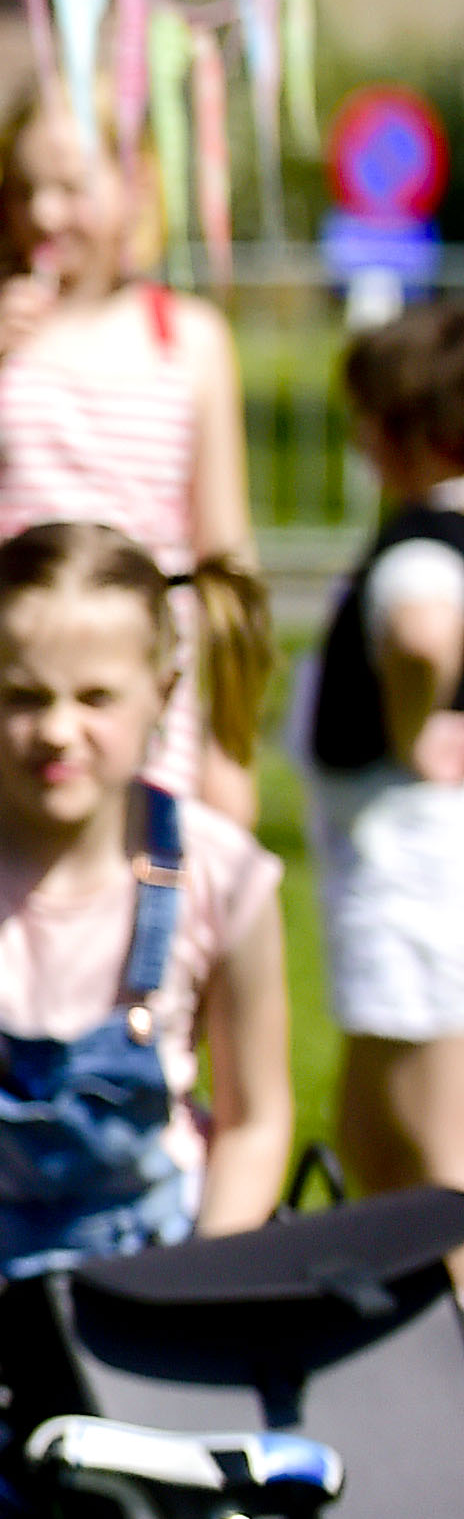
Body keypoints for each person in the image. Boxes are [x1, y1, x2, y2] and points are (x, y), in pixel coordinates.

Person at [0, 520, 290, 1351]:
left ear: (162, 695)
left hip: (163, 1285)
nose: (58, 731)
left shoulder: (222, 876)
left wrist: (195, 1311)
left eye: (96, 698)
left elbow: (254, 1122)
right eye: (25, 697)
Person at [0, 82, 261, 830]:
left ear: (135, 184)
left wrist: (228, 749)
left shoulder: (190, 338)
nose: (45, 215)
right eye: (26, 189)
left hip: (133, 681)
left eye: (72, 189)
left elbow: (226, 557)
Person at [303, 305, 464, 1195]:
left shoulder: (423, 542)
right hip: (411, 872)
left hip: (415, 870)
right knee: (375, 1121)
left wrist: (414, 734)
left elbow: (421, 630)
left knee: (433, 1140)